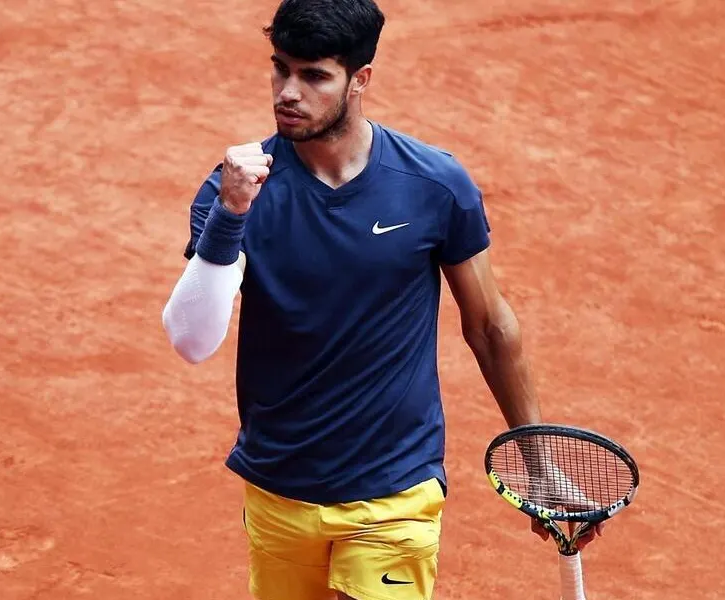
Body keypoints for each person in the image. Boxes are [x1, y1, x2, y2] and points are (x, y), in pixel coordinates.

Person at [161, 1, 600, 598]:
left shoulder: (434, 185)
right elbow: (192, 341)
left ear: (359, 80)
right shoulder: (232, 192)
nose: (288, 92)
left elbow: (491, 327)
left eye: (314, 75)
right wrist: (231, 214)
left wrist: (539, 462)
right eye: (280, 69)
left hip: (394, 488)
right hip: (278, 488)